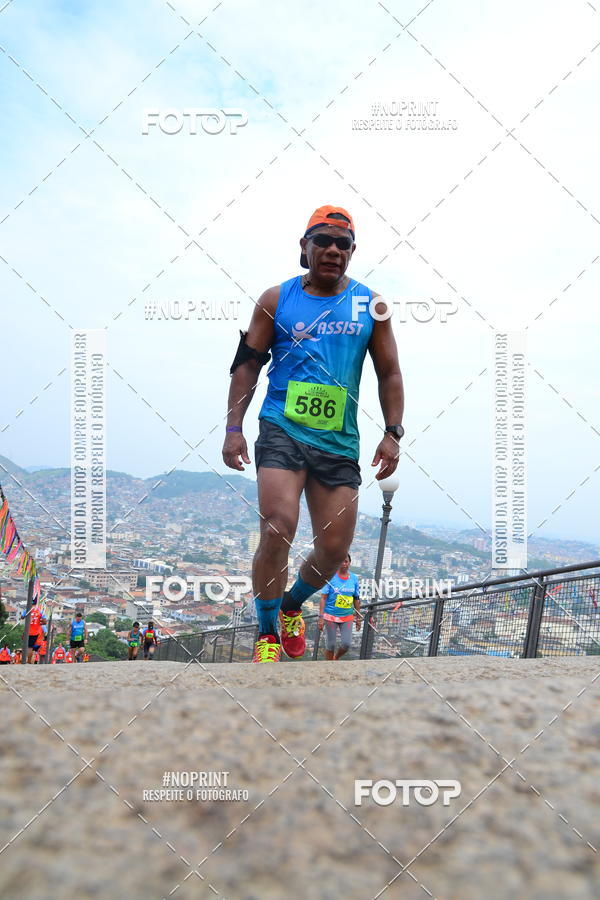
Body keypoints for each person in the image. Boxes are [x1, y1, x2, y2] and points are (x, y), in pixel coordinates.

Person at [222, 205, 404, 663]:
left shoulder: (371, 305)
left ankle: (289, 605)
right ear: (304, 248)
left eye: (343, 243)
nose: (332, 250)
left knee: (333, 548)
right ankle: (266, 632)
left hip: (339, 439)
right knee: (278, 526)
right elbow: (246, 365)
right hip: (282, 426)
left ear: (353, 252)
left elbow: (389, 373)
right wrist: (233, 428)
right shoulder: (276, 299)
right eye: (322, 240)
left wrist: (393, 432)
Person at [318, 554, 361, 660]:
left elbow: (356, 598)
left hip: (347, 616)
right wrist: (321, 617)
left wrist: (358, 617)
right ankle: (329, 666)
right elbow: (323, 598)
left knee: (346, 644)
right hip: (330, 616)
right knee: (331, 644)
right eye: (341, 561)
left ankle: (335, 658)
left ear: (349, 563)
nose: (344, 564)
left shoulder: (354, 579)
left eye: (346, 561)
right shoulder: (331, 577)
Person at [20, 598, 47, 664]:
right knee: (30, 647)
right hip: (35, 632)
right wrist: (40, 622)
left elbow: (22, 617)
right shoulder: (40, 610)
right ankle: (28, 660)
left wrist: (25, 616)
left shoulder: (27, 610)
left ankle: (28, 660)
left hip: (27, 631)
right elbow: (45, 622)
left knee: (27, 646)